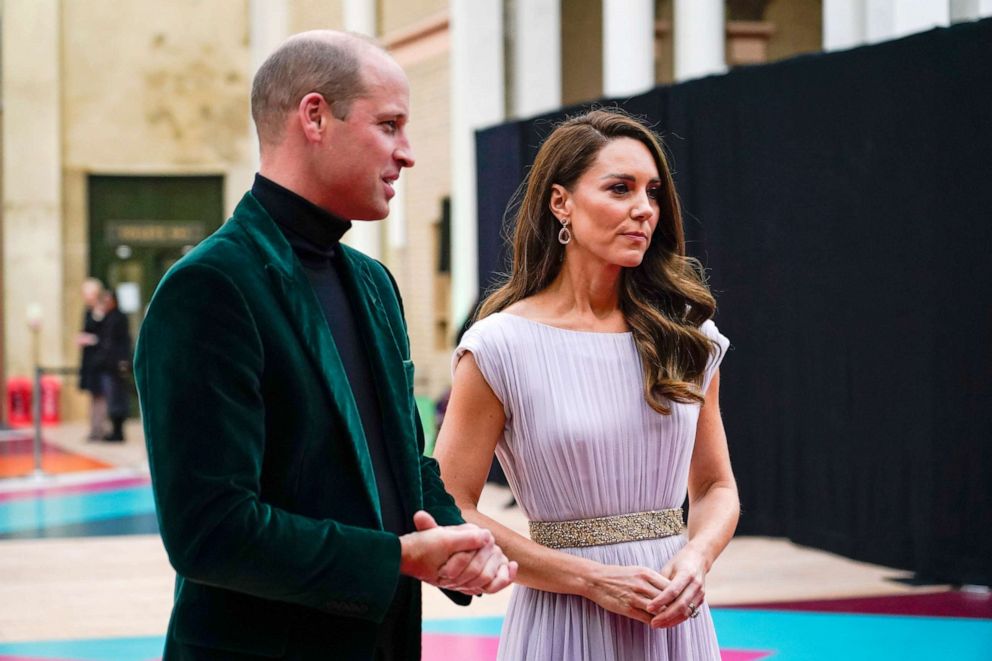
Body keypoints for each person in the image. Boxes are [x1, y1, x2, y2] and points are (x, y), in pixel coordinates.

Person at [134, 31, 515, 660]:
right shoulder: (209, 287)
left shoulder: (372, 283)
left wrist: (457, 544)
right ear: (314, 116)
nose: (408, 153)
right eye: (389, 125)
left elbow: (403, 463)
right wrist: (394, 558)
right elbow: (210, 532)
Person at [434, 109, 740, 660]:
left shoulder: (687, 337)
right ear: (561, 203)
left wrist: (696, 559)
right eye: (619, 189)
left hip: (673, 622)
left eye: (652, 192)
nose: (644, 209)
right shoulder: (499, 345)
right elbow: (452, 504)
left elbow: (717, 488)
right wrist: (589, 580)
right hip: (560, 622)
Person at [93, 289, 132, 442]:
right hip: (108, 366)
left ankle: (118, 431)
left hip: (117, 365)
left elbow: (124, 341)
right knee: (112, 399)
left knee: (119, 399)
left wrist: (123, 361)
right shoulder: (106, 317)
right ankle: (115, 430)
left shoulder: (120, 317)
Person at [76, 278, 106, 440]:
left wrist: (91, 339)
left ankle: (99, 429)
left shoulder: (101, 311)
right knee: (93, 395)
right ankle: (94, 429)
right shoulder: (87, 311)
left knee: (100, 395)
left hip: (100, 360)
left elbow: (106, 336)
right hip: (89, 360)